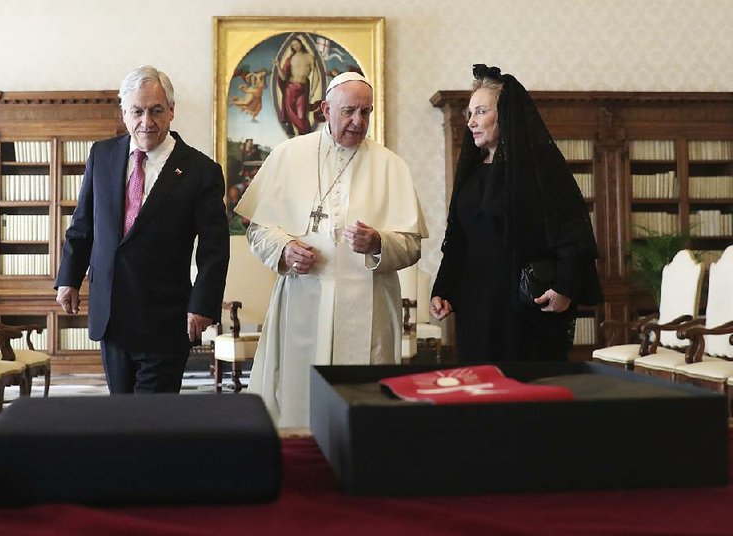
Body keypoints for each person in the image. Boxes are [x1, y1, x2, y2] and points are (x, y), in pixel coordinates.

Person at [235, 72, 428, 427]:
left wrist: (379, 243)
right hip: (300, 304)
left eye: (366, 112)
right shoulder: (289, 155)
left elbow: (412, 246)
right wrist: (285, 249)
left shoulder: (390, 165)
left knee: (364, 405)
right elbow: (259, 231)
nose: (358, 121)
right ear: (325, 109)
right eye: (349, 111)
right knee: (297, 399)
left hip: (369, 307)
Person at [55, 65, 229, 393]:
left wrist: (203, 304)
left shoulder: (201, 171)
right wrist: (69, 279)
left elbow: (214, 249)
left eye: (156, 111)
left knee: (153, 422)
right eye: (137, 111)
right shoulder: (102, 156)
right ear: (124, 112)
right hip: (111, 315)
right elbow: (83, 225)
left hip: (166, 319)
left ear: (172, 112)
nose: (146, 122)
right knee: (121, 418)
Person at [430, 64, 603, 363]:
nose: (471, 122)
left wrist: (565, 288)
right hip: (476, 309)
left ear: (506, 115)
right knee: (481, 393)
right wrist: (442, 290)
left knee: (527, 398)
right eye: (470, 113)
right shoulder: (471, 175)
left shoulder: (540, 172)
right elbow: (459, 240)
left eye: (481, 112)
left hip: (525, 310)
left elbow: (574, 236)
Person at [275, 37, 316, 136]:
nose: (295, 46)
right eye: (293, 45)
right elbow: (284, 78)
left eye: (296, 44)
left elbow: (316, 75)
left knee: (301, 116)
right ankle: (296, 137)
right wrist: (278, 66)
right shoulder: (290, 59)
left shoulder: (309, 57)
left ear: (301, 43)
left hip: (302, 89)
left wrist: (313, 91)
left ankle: (305, 135)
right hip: (290, 88)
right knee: (291, 114)